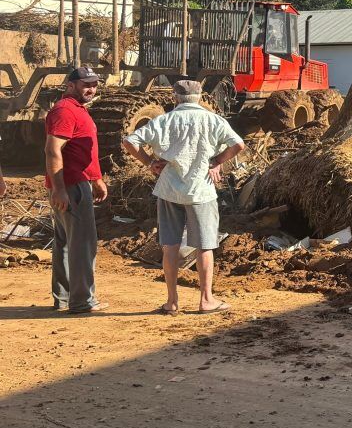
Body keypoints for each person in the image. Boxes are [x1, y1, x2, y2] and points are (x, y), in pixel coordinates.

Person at [121, 80, 245, 315]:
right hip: (201, 189)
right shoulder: (213, 120)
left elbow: (129, 141)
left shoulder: (164, 120)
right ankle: (206, 300)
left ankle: (172, 302)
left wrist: (149, 163)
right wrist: (217, 161)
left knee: (170, 246)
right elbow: (238, 144)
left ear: (175, 97)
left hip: (169, 189)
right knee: (204, 247)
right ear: (200, 97)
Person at [45, 66, 108, 314]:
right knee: (82, 243)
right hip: (70, 186)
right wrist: (59, 189)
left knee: (65, 243)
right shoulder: (64, 111)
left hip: (75, 182)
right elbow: (53, 151)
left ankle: (64, 298)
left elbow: (83, 152)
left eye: (94, 84)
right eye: (85, 85)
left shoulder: (76, 109)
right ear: (70, 85)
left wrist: (96, 178)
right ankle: (82, 301)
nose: (91, 89)